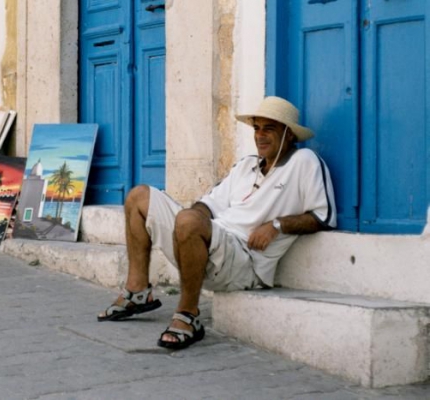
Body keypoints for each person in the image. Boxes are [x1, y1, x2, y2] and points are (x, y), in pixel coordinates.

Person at [97, 96, 337, 350]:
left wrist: (277, 225)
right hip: (213, 241)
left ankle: (188, 316)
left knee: (188, 221)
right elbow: (208, 205)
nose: (260, 136)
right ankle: (137, 292)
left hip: (244, 260)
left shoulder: (304, 162)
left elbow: (323, 217)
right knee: (139, 197)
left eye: (270, 129)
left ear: (289, 135)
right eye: (257, 128)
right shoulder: (246, 166)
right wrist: (192, 220)